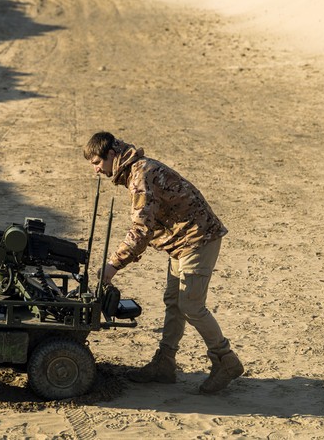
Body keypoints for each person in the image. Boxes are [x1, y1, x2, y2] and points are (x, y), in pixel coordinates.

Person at [83, 131, 243, 394]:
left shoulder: (140, 176)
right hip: (183, 242)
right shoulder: (135, 170)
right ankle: (165, 364)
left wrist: (113, 265)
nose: (96, 170)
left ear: (111, 155)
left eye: (96, 163)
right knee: (174, 301)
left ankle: (226, 360)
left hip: (198, 239)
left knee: (191, 304)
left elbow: (141, 229)